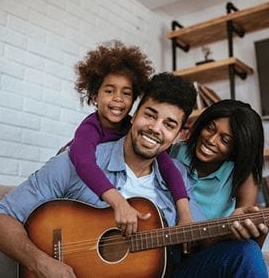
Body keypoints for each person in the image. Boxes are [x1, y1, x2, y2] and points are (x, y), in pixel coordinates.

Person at [0, 72, 203, 277]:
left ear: (178, 136)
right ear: (133, 116)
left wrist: (234, 225)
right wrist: (40, 262)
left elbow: (203, 235)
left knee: (236, 254)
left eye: (169, 125)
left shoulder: (178, 176)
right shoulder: (76, 158)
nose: (155, 128)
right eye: (150, 115)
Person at [170, 99, 269, 277]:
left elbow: (248, 249)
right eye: (210, 128)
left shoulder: (243, 175)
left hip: (204, 256)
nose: (211, 140)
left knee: (248, 250)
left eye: (225, 140)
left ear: (238, 147)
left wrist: (258, 227)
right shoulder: (172, 153)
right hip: (163, 254)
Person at [64, 41, 193, 233]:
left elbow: (168, 168)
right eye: (109, 91)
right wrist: (119, 203)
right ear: (93, 97)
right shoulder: (90, 129)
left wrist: (185, 216)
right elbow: (84, 163)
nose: (118, 98)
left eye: (126, 93)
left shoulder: (136, 128)